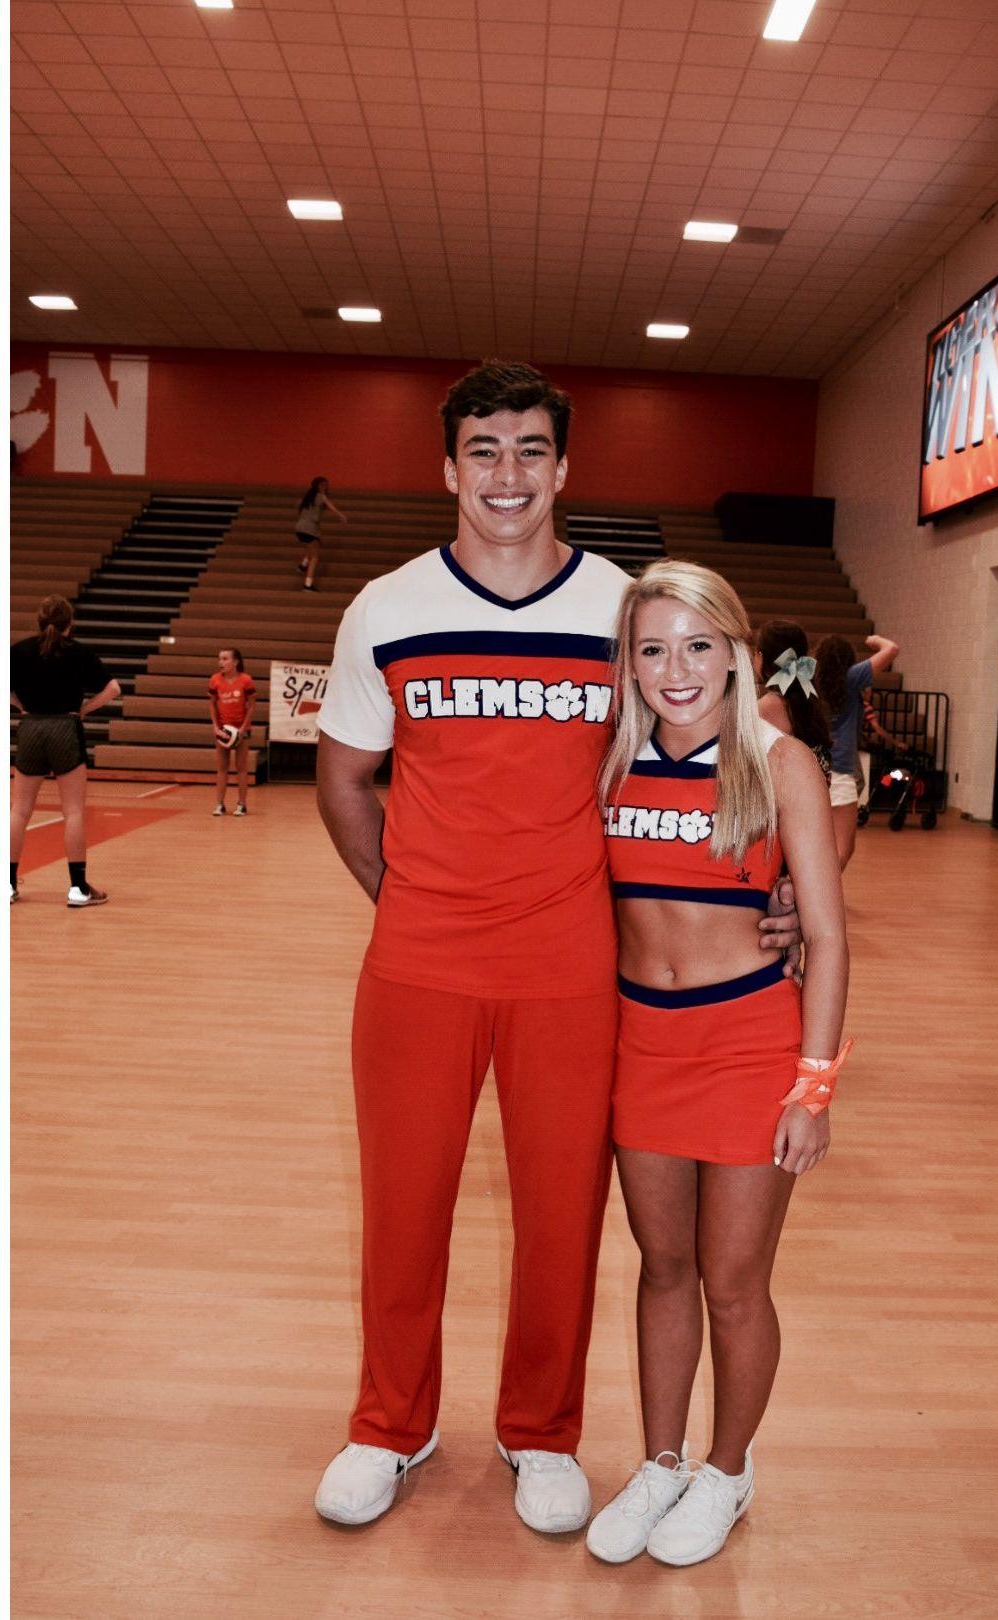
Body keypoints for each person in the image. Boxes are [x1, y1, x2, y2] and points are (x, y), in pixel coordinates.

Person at [309, 359, 802, 1535]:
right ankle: (393, 1423)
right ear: (448, 467)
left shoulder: (626, 613)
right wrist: (410, 895)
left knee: (563, 1214)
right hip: (422, 958)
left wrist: (793, 892)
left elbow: (769, 746)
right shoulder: (384, 607)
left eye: (532, 449)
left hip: (576, 969)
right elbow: (344, 780)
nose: (509, 473)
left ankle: (541, 1433)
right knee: (403, 1206)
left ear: (565, 466)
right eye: (485, 450)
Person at [584, 562, 850, 1568]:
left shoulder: (778, 763)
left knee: (735, 1284)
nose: (675, 669)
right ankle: (660, 1462)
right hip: (639, 1044)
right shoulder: (609, 763)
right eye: (652, 649)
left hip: (746, 1045)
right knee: (662, 1269)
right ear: (630, 662)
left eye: (698, 646)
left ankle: (727, 1470)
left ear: (735, 652)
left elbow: (825, 934)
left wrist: (812, 1085)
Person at [9, 595, 121, 907]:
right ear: (70, 623)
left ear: (39, 621)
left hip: (31, 728)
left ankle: (6, 885)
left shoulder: (20, 650)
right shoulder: (79, 652)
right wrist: (84, 709)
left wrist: (22, 707)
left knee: (18, 811)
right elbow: (114, 688)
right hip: (65, 728)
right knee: (72, 812)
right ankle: (77, 888)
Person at [814, 631, 900, 871]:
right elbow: (891, 649)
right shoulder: (851, 678)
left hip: (812, 769)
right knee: (844, 848)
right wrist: (874, 641)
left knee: (817, 844)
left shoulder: (810, 680)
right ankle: (820, 898)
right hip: (839, 769)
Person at [754, 619, 833, 779]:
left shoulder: (769, 705)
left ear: (761, 656)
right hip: (813, 793)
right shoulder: (808, 698)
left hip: (786, 796)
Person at [207, 646, 256, 816]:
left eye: (225, 659)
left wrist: (243, 729)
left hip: (241, 730)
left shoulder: (246, 680)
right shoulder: (214, 680)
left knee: (241, 768)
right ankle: (220, 804)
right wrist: (215, 727)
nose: (221, 662)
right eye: (220, 659)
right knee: (222, 768)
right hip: (222, 730)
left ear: (236, 662)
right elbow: (212, 704)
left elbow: (251, 706)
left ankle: (242, 804)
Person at [294, 476, 346, 592]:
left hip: (300, 528)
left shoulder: (308, 498)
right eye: (323, 485)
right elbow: (329, 504)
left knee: (313, 547)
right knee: (315, 557)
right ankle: (307, 585)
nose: (325, 488)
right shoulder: (320, 496)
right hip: (310, 529)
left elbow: (299, 507)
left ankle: (302, 566)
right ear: (318, 486)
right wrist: (340, 514)